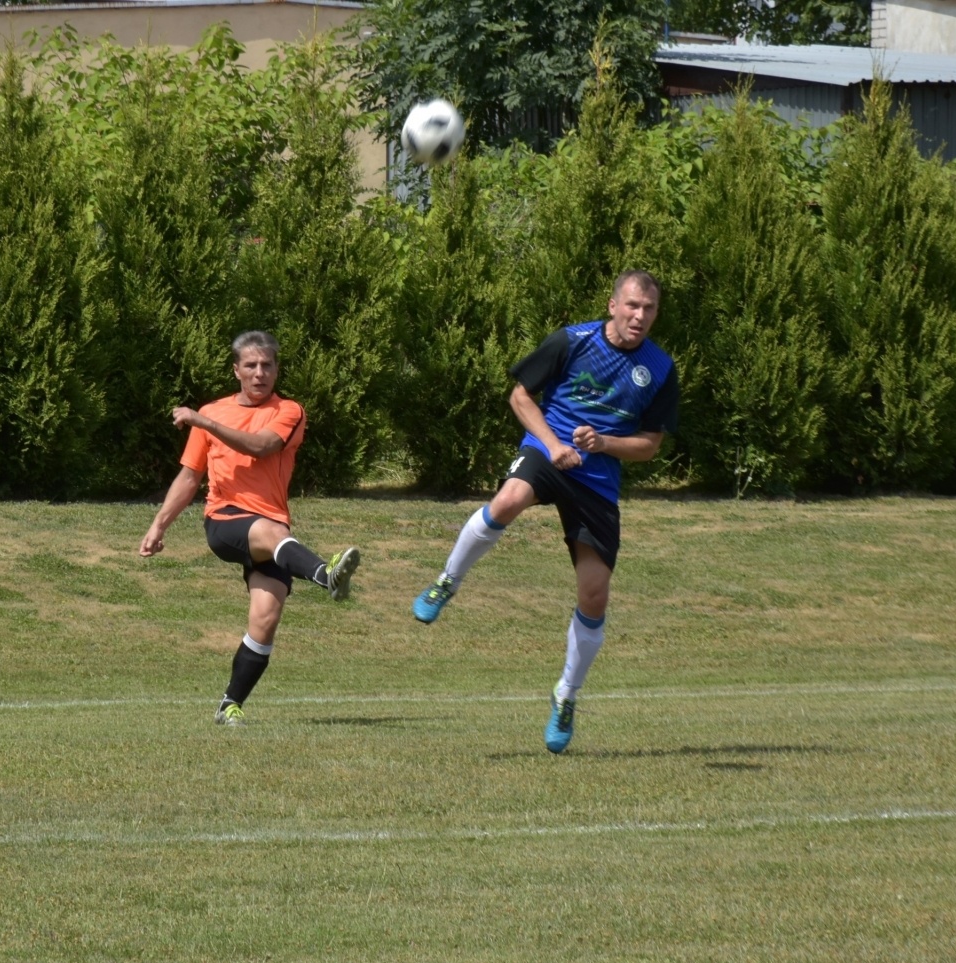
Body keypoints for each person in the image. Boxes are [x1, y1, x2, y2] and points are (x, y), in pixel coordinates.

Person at [412, 271, 679, 754]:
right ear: (613, 304)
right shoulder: (572, 341)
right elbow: (520, 396)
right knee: (508, 500)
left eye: (649, 309)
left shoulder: (659, 368)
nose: (640, 316)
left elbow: (649, 446)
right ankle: (447, 581)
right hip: (547, 449)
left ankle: (566, 695)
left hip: (597, 480)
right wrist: (554, 445)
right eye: (632, 305)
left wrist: (604, 443)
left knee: (595, 595)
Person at [140, 331, 362, 726]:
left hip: (273, 532)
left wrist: (201, 420)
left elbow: (261, 446)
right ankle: (324, 574)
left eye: (267, 365)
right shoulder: (214, 411)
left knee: (265, 618)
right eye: (251, 365)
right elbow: (190, 477)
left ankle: (229, 705)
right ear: (236, 371)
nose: (260, 373)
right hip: (225, 520)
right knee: (273, 534)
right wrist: (159, 526)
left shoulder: (289, 411)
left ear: (276, 369)